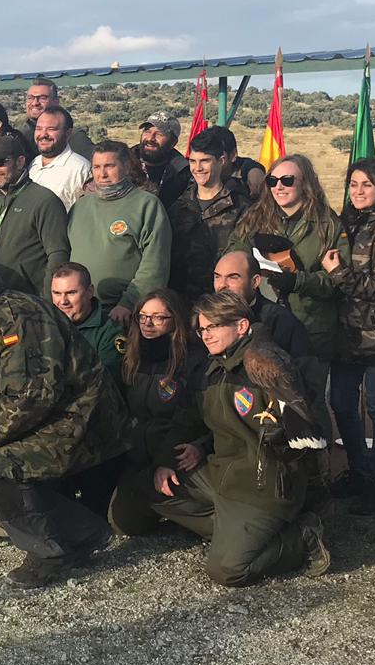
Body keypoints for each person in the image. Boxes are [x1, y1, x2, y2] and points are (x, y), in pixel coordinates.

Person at [0, 261, 129, 589]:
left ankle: (48, 554)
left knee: (1, 466)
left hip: (83, 423)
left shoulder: (15, 315)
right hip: (51, 418)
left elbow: (34, 395)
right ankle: (83, 530)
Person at [153, 291, 328, 585]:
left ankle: (302, 536)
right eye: (202, 328)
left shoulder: (262, 357)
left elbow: (312, 421)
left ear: (243, 326)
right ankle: (235, 531)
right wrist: (177, 455)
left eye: (214, 327)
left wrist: (281, 437)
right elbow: (193, 419)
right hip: (222, 473)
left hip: (264, 484)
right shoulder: (211, 367)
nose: (206, 335)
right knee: (144, 492)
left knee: (227, 571)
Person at [321, 157, 375, 517]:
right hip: (345, 333)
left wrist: (339, 273)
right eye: (353, 184)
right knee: (341, 403)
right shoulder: (346, 222)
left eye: (366, 185)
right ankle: (358, 469)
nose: (358, 191)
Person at [107, 289, 208, 536]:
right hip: (137, 454)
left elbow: (189, 419)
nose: (148, 324)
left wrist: (166, 461)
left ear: (175, 320)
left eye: (158, 317)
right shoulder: (133, 356)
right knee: (122, 523)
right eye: (142, 316)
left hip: (176, 452)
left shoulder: (193, 359)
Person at [229, 154, 342, 361]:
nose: (279, 187)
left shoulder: (328, 224)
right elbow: (232, 260)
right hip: (263, 325)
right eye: (272, 181)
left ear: (306, 184)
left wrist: (298, 281)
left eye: (287, 181)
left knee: (307, 391)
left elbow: (337, 281)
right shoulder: (253, 218)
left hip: (311, 329)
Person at [66, 140, 171, 327]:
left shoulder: (146, 205)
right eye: (96, 167)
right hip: (81, 313)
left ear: (127, 166)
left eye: (109, 166)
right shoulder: (80, 206)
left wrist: (129, 302)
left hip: (122, 314)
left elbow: (155, 263)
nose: (102, 174)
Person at [0, 134, 70, 296]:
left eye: (0, 162)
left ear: (20, 162)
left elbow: (58, 256)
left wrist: (48, 302)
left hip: (31, 303)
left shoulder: (44, 200)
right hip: (0, 299)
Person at [168, 127, 251, 300]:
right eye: (192, 161)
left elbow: (242, 258)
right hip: (179, 300)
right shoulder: (177, 206)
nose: (197, 168)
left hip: (221, 301)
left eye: (204, 161)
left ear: (221, 161)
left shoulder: (241, 207)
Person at [213, 251, 309, 358]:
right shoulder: (206, 318)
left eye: (233, 277)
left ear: (255, 281)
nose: (221, 285)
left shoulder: (281, 322)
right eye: (217, 277)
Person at [49, 263, 124, 382]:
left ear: (90, 291)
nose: (63, 301)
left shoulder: (109, 333)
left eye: (71, 293)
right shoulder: (44, 325)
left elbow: (106, 383)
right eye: (57, 293)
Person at [27, 106, 91, 210]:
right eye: (38, 128)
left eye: (51, 129)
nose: (43, 134)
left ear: (68, 133)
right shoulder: (34, 163)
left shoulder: (80, 169)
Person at [19, 79, 95, 160]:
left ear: (56, 101)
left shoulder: (73, 137)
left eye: (42, 98)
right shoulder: (19, 137)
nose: (35, 103)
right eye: (30, 98)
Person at [134, 111, 191, 209]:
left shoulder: (183, 171)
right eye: (147, 131)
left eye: (159, 134)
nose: (151, 138)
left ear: (173, 142)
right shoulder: (124, 161)